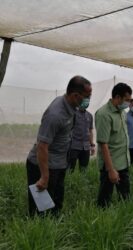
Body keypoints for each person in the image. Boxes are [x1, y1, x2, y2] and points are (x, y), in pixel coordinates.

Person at [26, 76, 92, 216]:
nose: (88, 100)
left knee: (56, 203)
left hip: (59, 164)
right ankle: (38, 234)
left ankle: (54, 232)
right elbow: (42, 146)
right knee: (41, 209)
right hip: (43, 166)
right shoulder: (55, 114)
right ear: (75, 95)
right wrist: (44, 177)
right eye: (87, 96)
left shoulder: (70, 106)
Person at [95, 82, 132, 208]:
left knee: (125, 197)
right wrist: (111, 170)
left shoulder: (122, 113)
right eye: (126, 100)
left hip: (123, 162)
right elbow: (103, 144)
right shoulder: (103, 114)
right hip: (110, 165)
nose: (128, 103)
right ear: (117, 97)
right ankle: (102, 221)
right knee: (105, 199)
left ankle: (125, 219)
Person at [67, 105, 95, 172]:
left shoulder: (89, 115)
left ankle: (82, 181)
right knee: (70, 169)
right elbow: (68, 129)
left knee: (84, 169)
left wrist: (92, 145)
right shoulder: (73, 114)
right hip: (74, 146)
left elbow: (90, 131)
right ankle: (69, 181)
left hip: (86, 147)